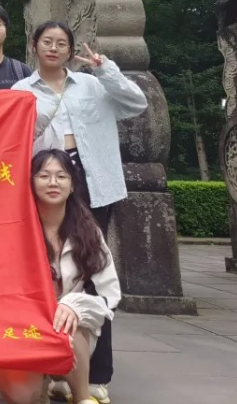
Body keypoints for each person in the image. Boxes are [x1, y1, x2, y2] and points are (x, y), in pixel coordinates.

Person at [12, 21, 146, 403]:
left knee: (91, 270)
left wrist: (106, 69)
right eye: (47, 41)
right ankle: (53, 367)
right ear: (34, 46)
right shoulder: (20, 91)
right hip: (46, 183)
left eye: (62, 43)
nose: (54, 48)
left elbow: (136, 103)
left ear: (71, 50)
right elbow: (10, 139)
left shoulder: (92, 84)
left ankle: (96, 375)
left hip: (93, 180)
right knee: (48, 272)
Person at [0, 149, 120, 404]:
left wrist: (74, 306)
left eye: (61, 176)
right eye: (44, 176)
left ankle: (81, 396)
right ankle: (40, 383)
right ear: (31, 182)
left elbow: (109, 293)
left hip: (70, 330)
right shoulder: (13, 229)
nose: (53, 183)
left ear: (72, 185)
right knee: (22, 397)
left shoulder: (88, 232)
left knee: (69, 330)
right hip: (23, 327)